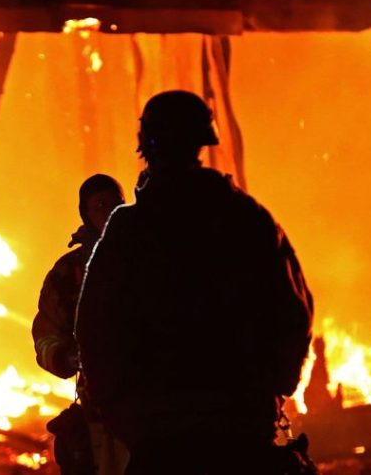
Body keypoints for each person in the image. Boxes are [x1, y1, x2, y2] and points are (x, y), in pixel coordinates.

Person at [75, 91, 314, 474]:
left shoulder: (128, 232)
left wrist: (124, 417)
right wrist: (270, 392)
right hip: (240, 433)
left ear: (146, 149)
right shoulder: (246, 219)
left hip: (158, 441)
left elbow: (95, 331)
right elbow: (293, 313)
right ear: (202, 143)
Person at [33, 174, 129, 474]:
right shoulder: (68, 273)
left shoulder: (150, 259)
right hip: (98, 411)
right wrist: (64, 356)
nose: (109, 212)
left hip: (152, 407)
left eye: (116, 204)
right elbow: (45, 334)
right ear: (85, 214)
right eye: (100, 205)